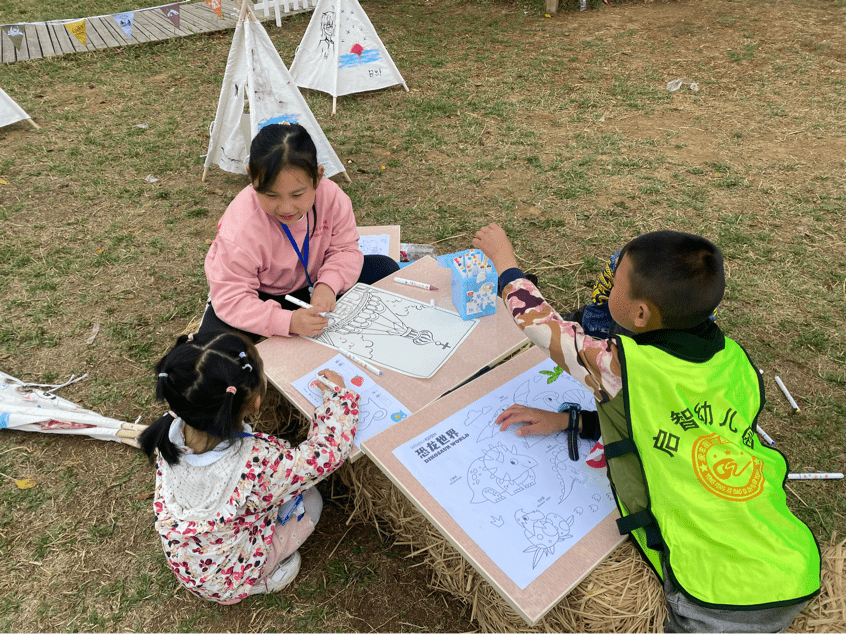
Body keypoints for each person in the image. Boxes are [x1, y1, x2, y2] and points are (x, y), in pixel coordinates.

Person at [473, 224, 821, 634]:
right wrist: (573, 421)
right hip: (795, 565)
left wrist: (506, 264)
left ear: (640, 314)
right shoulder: (732, 360)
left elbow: (541, 325)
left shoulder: (621, 366)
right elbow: (671, 428)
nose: (606, 289)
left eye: (615, 283)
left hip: (715, 599)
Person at [139, 331, 360, 604]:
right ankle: (258, 579)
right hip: (226, 577)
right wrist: (338, 398)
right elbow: (325, 454)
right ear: (255, 402)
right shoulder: (258, 465)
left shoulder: (170, 432)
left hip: (190, 560)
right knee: (311, 501)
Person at [200, 122, 399, 340]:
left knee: (384, 268)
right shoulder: (240, 226)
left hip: (314, 286)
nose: (286, 208)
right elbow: (231, 296)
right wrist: (288, 321)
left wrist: (328, 285)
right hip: (260, 295)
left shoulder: (333, 199)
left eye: (297, 195)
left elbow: (345, 250)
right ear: (251, 178)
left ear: (318, 177)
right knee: (214, 344)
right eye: (271, 195)